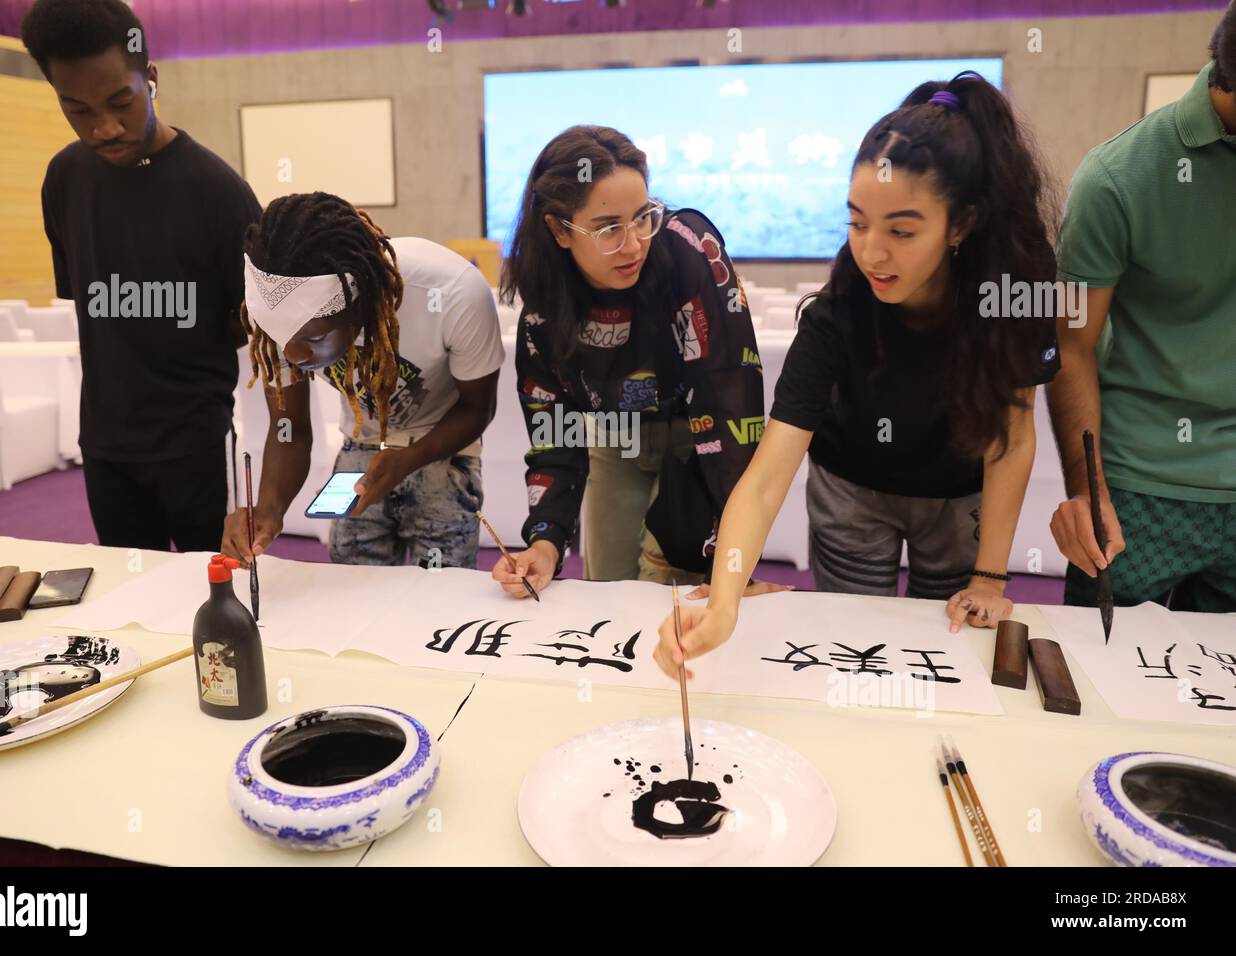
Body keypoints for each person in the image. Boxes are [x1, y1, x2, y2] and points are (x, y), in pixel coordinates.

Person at [655, 73, 1062, 679]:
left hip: (959, 492)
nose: (872, 253)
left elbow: (1012, 436)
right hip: (851, 490)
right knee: (853, 646)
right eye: (857, 223)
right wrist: (723, 601)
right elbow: (766, 479)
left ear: (961, 225)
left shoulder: (1012, 291)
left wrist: (990, 575)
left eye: (901, 231)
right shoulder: (838, 311)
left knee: (945, 650)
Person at [491, 125, 772, 598]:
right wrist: (544, 542)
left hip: (697, 437)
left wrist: (735, 548)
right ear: (559, 230)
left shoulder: (688, 251)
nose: (634, 243)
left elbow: (731, 404)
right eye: (607, 229)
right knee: (608, 590)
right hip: (615, 437)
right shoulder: (545, 304)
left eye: (643, 217)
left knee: (668, 591)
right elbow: (556, 433)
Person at [25, 0, 260, 551]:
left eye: (120, 102)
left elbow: (255, 325)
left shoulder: (219, 193)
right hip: (105, 447)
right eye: (77, 109)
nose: (104, 127)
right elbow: (87, 302)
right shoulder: (64, 178)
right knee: (129, 609)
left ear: (149, 79)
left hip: (195, 445)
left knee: (212, 600)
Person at [1049, 1, 1236, 613]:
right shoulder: (1116, 177)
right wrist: (1088, 490)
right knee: (1105, 687)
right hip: (1136, 486)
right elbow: (1071, 347)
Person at [220, 192, 503, 569]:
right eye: (281, 339)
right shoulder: (276, 315)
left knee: (440, 594)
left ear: (358, 304)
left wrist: (409, 460)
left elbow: (477, 408)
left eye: (314, 339)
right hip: (362, 440)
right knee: (349, 590)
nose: (294, 356)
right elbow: (290, 428)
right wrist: (268, 510)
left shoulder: (454, 293)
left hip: (443, 443)